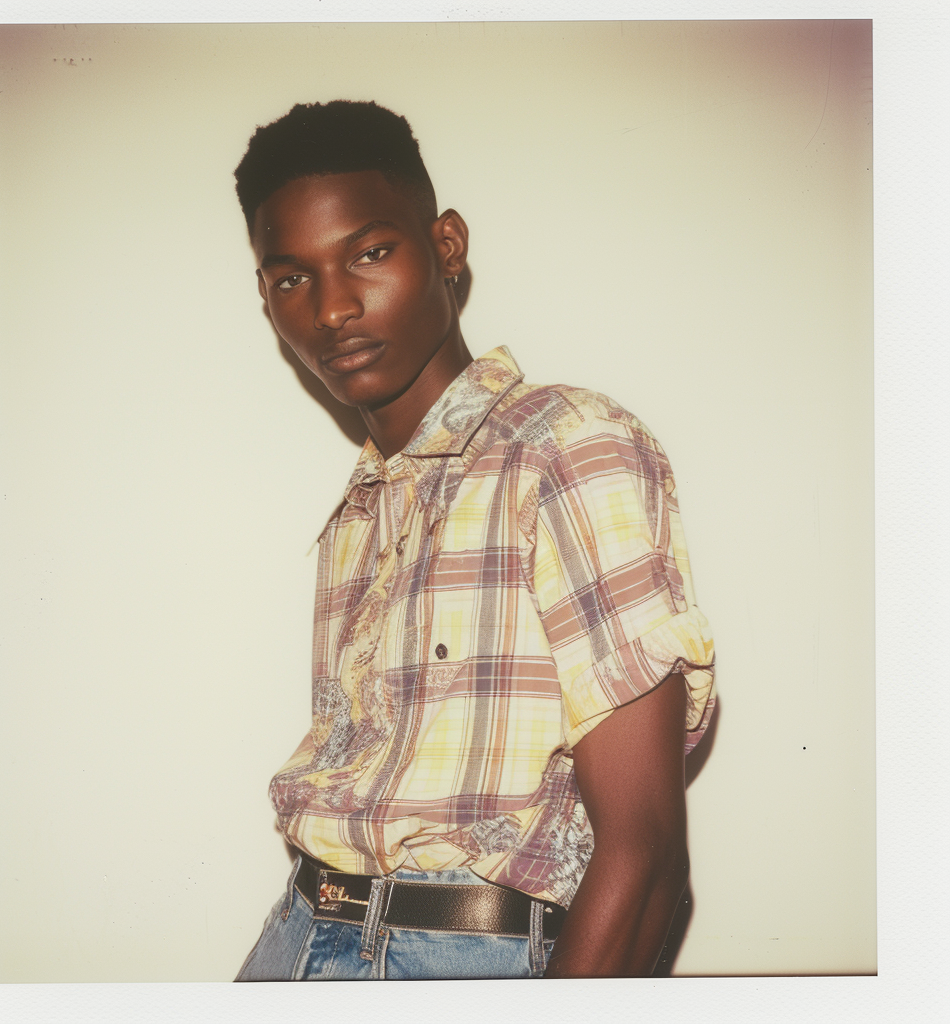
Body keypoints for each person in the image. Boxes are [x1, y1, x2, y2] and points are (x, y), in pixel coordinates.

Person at [231, 100, 715, 981]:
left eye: (369, 252)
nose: (333, 308)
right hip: (296, 937)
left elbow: (646, 857)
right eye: (291, 278)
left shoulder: (566, 445)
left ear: (446, 246)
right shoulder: (366, 503)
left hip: (458, 959)